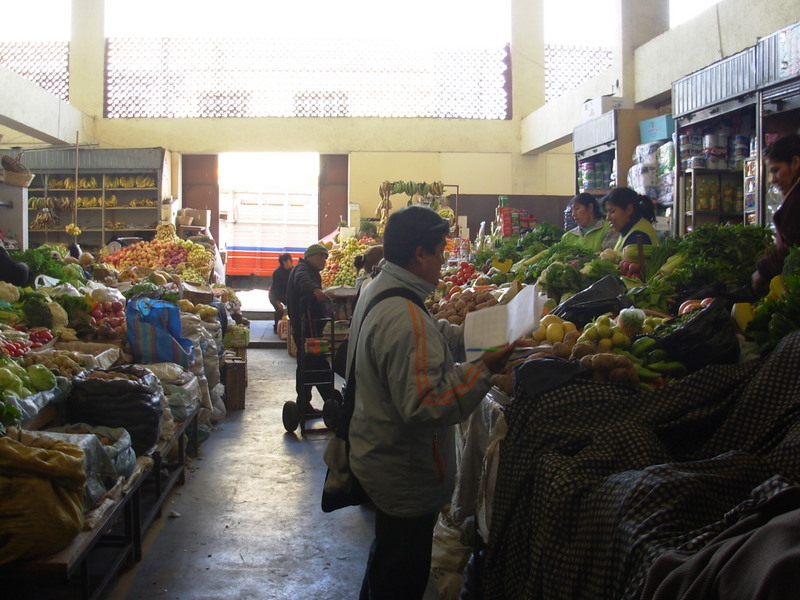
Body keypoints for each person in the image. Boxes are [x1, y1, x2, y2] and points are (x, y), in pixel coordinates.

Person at [347, 205, 517, 600]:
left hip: (381, 455)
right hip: (405, 471)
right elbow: (427, 404)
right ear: (420, 253)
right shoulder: (403, 315)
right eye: (440, 250)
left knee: (386, 558)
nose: (445, 259)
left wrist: (474, 336)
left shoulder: (383, 288)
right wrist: (483, 369)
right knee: (400, 576)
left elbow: (428, 333)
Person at [286, 243, 333, 415]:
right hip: (307, 327)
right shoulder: (302, 269)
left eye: (326, 258)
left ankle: (304, 402)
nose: (324, 261)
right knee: (316, 361)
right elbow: (302, 280)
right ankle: (330, 399)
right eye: (321, 256)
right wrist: (315, 290)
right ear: (310, 256)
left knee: (307, 363)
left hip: (309, 326)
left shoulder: (309, 270)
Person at [752, 133, 800, 294]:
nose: (772, 179)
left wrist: (763, 270)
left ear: (795, 163)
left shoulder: (796, 201)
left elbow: (791, 248)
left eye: (776, 170)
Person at [269, 252, 294, 333]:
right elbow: (275, 288)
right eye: (289, 261)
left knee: (292, 309)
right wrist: (278, 302)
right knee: (279, 310)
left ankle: (290, 327)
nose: (291, 262)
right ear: (284, 262)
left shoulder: (293, 270)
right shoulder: (277, 272)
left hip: (287, 295)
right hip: (275, 295)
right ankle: (277, 328)